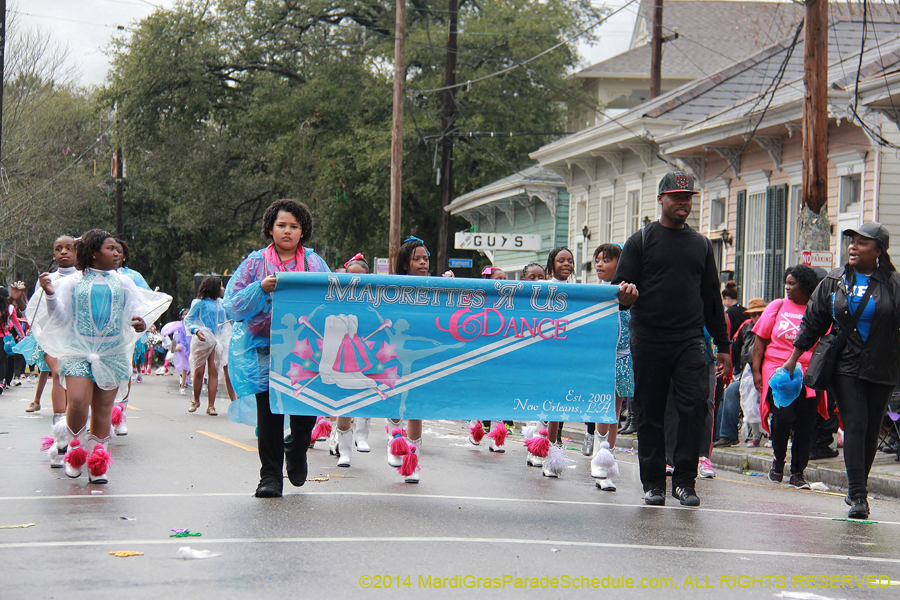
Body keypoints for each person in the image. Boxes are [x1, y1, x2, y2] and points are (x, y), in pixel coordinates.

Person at [612, 170, 729, 507]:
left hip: (690, 339)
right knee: (649, 412)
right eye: (677, 196)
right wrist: (626, 296)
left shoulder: (701, 245)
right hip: (647, 338)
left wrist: (723, 346)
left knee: (694, 409)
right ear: (660, 199)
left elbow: (712, 299)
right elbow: (618, 290)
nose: (683, 202)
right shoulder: (641, 240)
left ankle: (684, 482)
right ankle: (653, 484)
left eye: (688, 197)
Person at [31, 229, 171, 483]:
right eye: (111, 249)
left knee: (104, 407)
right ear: (94, 253)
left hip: (112, 352)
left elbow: (136, 313)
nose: (117, 253)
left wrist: (139, 324)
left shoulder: (124, 282)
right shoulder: (73, 281)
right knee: (76, 401)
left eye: (118, 250)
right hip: (78, 351)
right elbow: (60, 318)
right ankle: (74, 450)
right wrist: (50, 294)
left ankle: (97, 461)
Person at [784, 222, 900, 519]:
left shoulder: (894, 284)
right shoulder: (834, 281)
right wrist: (793, 358)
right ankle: (860, 496)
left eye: (862, 242)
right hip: (845, 364)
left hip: (882, 364)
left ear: (878, 250)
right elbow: (813, 321)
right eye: (852, 241)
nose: (853, 246)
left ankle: (855, 487)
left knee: (872, 429)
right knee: (856, 423)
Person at [224, 199, 330, 498]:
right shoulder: (255, 263)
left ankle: (297, 448)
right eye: (281, 225)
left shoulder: (314, 263)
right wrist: (260, 288)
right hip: (263, 349)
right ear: (270, 229)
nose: (287, 231)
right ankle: (269, 477)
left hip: (305, 351)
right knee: (269, 415)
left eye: (294, 226)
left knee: (304, 411)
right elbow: (232, 304)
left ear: (303, 231)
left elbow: (331, 297)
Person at [752, 265, 826, 490]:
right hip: (777, 370)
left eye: (792, 283)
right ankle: (778, 460)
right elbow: (760, 341)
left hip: (808, 373)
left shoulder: (817, 310)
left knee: (806, 422)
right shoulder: (777, 305)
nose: (787, 286)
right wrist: (756, 371)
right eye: (786, 282)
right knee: (783, 417)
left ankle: (797, 472)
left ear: (805, 286)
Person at [524, 247, 576, 478]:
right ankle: (539, 449)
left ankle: (550, 454)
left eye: (570, 261)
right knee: (545, 403)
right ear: (551, 265)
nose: (566, 264)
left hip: (565, 356)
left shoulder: (577, 291)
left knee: (558, 407)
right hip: (545, 353)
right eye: (561, 260)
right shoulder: (544, 289)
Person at [588, 243, 633, 492]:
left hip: (623, 358)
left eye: (606, 260)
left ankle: (607, 460)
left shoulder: (628, 292)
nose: (599, 265)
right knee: (600, 409)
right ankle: (598, 458)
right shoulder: (595, 294)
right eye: (597, 260)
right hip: (601, 360)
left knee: (616, 410)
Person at [326, 253, 372, 465]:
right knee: (343, 401)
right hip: (340, 358)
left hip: (363, 354)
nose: (355, 281)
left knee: (365, 394)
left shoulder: (374, 299)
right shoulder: (334, 298)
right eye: (350, 276)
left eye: (360, 276)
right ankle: (343, 448)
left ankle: (362, 435)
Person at [714, 297, 766, 447]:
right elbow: (736, 352)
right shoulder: (745, 329)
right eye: (753, 314)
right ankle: (727, 435)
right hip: (748, 375)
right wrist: (736, 374)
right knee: (730, 391)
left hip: (767, 375)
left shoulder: (771, 328)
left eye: (759, 314)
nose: (756, 317)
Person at [185, 276, 235, 416]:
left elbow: (231, 319)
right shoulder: (199, 303)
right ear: (214, 287)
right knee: (199, 371)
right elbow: (188, 319)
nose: (223, 289)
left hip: (216, 340)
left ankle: (211, 406)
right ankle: (196, 400)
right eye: (220, 286)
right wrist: (196, 330)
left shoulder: (222, 304)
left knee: (214, 371)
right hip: (202, 339)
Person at [161, 309, 192, 394]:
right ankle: (182, 386)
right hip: (182, 347)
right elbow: (174, 337)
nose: (185, 316)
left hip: (190, 348)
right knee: (183, 367)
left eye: (187, 314)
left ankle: (186, 380)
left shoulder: (192, 325)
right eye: (183, 315)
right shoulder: (178, 326)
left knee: (188, 368)